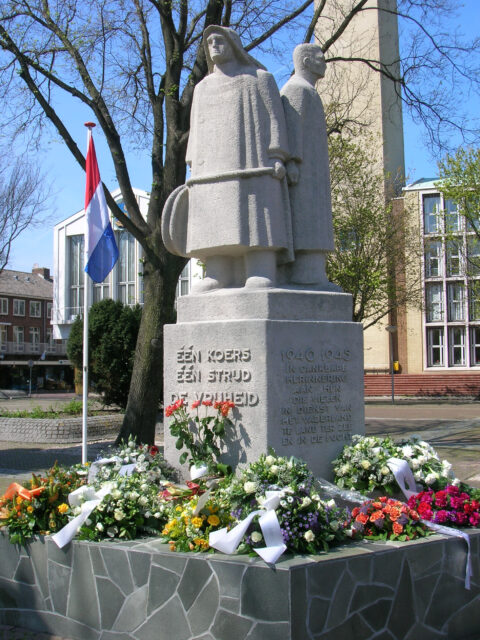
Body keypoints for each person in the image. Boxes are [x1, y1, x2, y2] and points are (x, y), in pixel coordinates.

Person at [165, 26, 292, 292]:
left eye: (219, 40)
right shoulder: (202, 88)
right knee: (215, 219)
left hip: (253, 163)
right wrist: (192, 163)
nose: (214, 45)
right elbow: (195, 130)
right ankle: (217, 273)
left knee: (255, 217)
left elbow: (275, 118)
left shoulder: (258, 78)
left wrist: (277, 154)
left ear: (233, 45)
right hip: (211, 167)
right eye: (209, 41)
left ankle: (261, 269)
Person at [281, 43, 335, 286]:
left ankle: (314, 272)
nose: (324, 61)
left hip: (314, 171)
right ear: (305, 61)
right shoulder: (296, 89)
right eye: (319, 57)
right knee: (307, 220)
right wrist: (292, 161)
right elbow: (291, 128)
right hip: (302, 174)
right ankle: (306, 273)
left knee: (316, 219)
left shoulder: (309, 91)